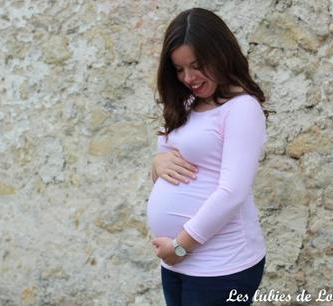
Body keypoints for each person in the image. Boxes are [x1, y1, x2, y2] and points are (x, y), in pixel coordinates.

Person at [146, 8, 269, 306]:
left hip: (222, 266)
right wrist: (156, 163)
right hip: (176, 262)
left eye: (197, 65)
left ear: (220, 54)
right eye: (179, 69)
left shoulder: (241, 108)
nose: (189, 78)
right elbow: (167, 165)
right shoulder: (186, 104)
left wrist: (180, 246)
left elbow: (232, 192)